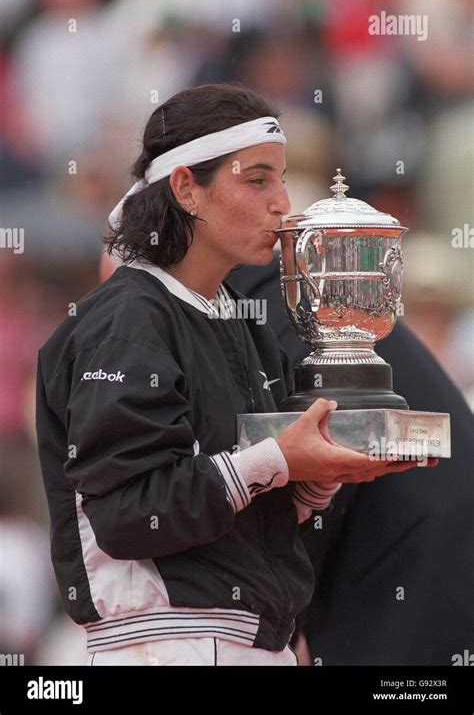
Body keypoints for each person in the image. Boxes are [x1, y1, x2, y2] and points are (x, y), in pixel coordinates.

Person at [35, 83, 436, 667]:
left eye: (281, 177)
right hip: (166, 647)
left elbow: (252, 508)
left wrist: (319, 474)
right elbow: (128, 515)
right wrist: (278, 460)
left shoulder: (243, 324)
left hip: (248, 641)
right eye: (257, 180)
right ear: (185, 188)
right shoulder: (127, 321)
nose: (283, 202)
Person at [228, 255, 474, 666]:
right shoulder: (300, 301)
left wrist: (287, 623)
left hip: (407, 568)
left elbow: (325, 461)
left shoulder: (289, 313)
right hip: (420, 551)